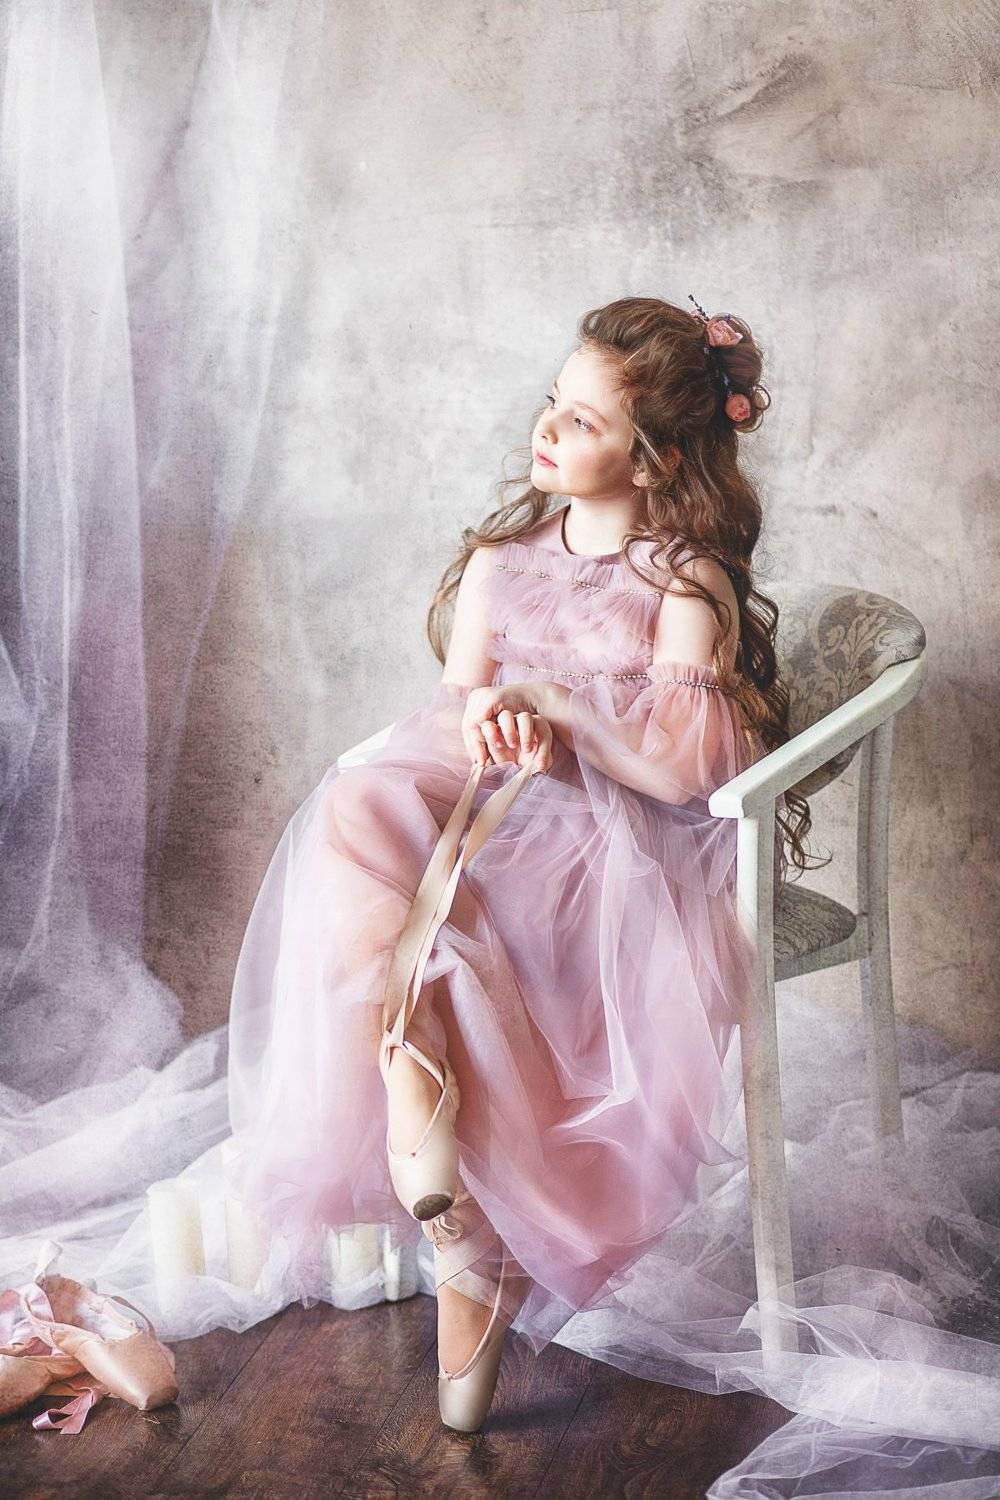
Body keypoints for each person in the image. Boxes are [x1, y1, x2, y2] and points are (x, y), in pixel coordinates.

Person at [224, 293, 805, 1434]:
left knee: (494, 910)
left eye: (582, 421)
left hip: (618, 839)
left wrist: (565, 712)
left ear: (652, 459)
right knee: (360, 800)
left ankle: (471, 1244)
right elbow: (457, 715)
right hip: (501, 795)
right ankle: (414, 1080)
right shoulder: (504, 561)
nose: (546, 428)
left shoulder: (681, 580)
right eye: (552, 402)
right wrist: (501, 719)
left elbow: (681, 769)